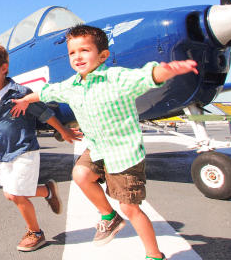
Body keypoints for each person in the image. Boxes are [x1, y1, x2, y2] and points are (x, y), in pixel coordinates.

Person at [11, 24, 198, 260]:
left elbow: (145, 76)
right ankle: (109, 217)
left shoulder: (116, 78)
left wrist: (167, 70)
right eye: (72, 52)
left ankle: (154, 255)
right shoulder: (72, 85)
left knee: (131, 208)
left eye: (84, 50)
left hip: (124, 154)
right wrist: (26, 100)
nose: (77, 56)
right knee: (80, 175)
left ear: (103, 55)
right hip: (98, 149)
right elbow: (49, 91)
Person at [0, 42, 82, 252]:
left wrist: (63, 131)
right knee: (10, 193)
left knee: (16, 195)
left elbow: (45, 113)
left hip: (25, 149)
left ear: (4, 68)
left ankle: (36, 233)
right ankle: (47, 191)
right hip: (5, 152)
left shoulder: (19, 92)